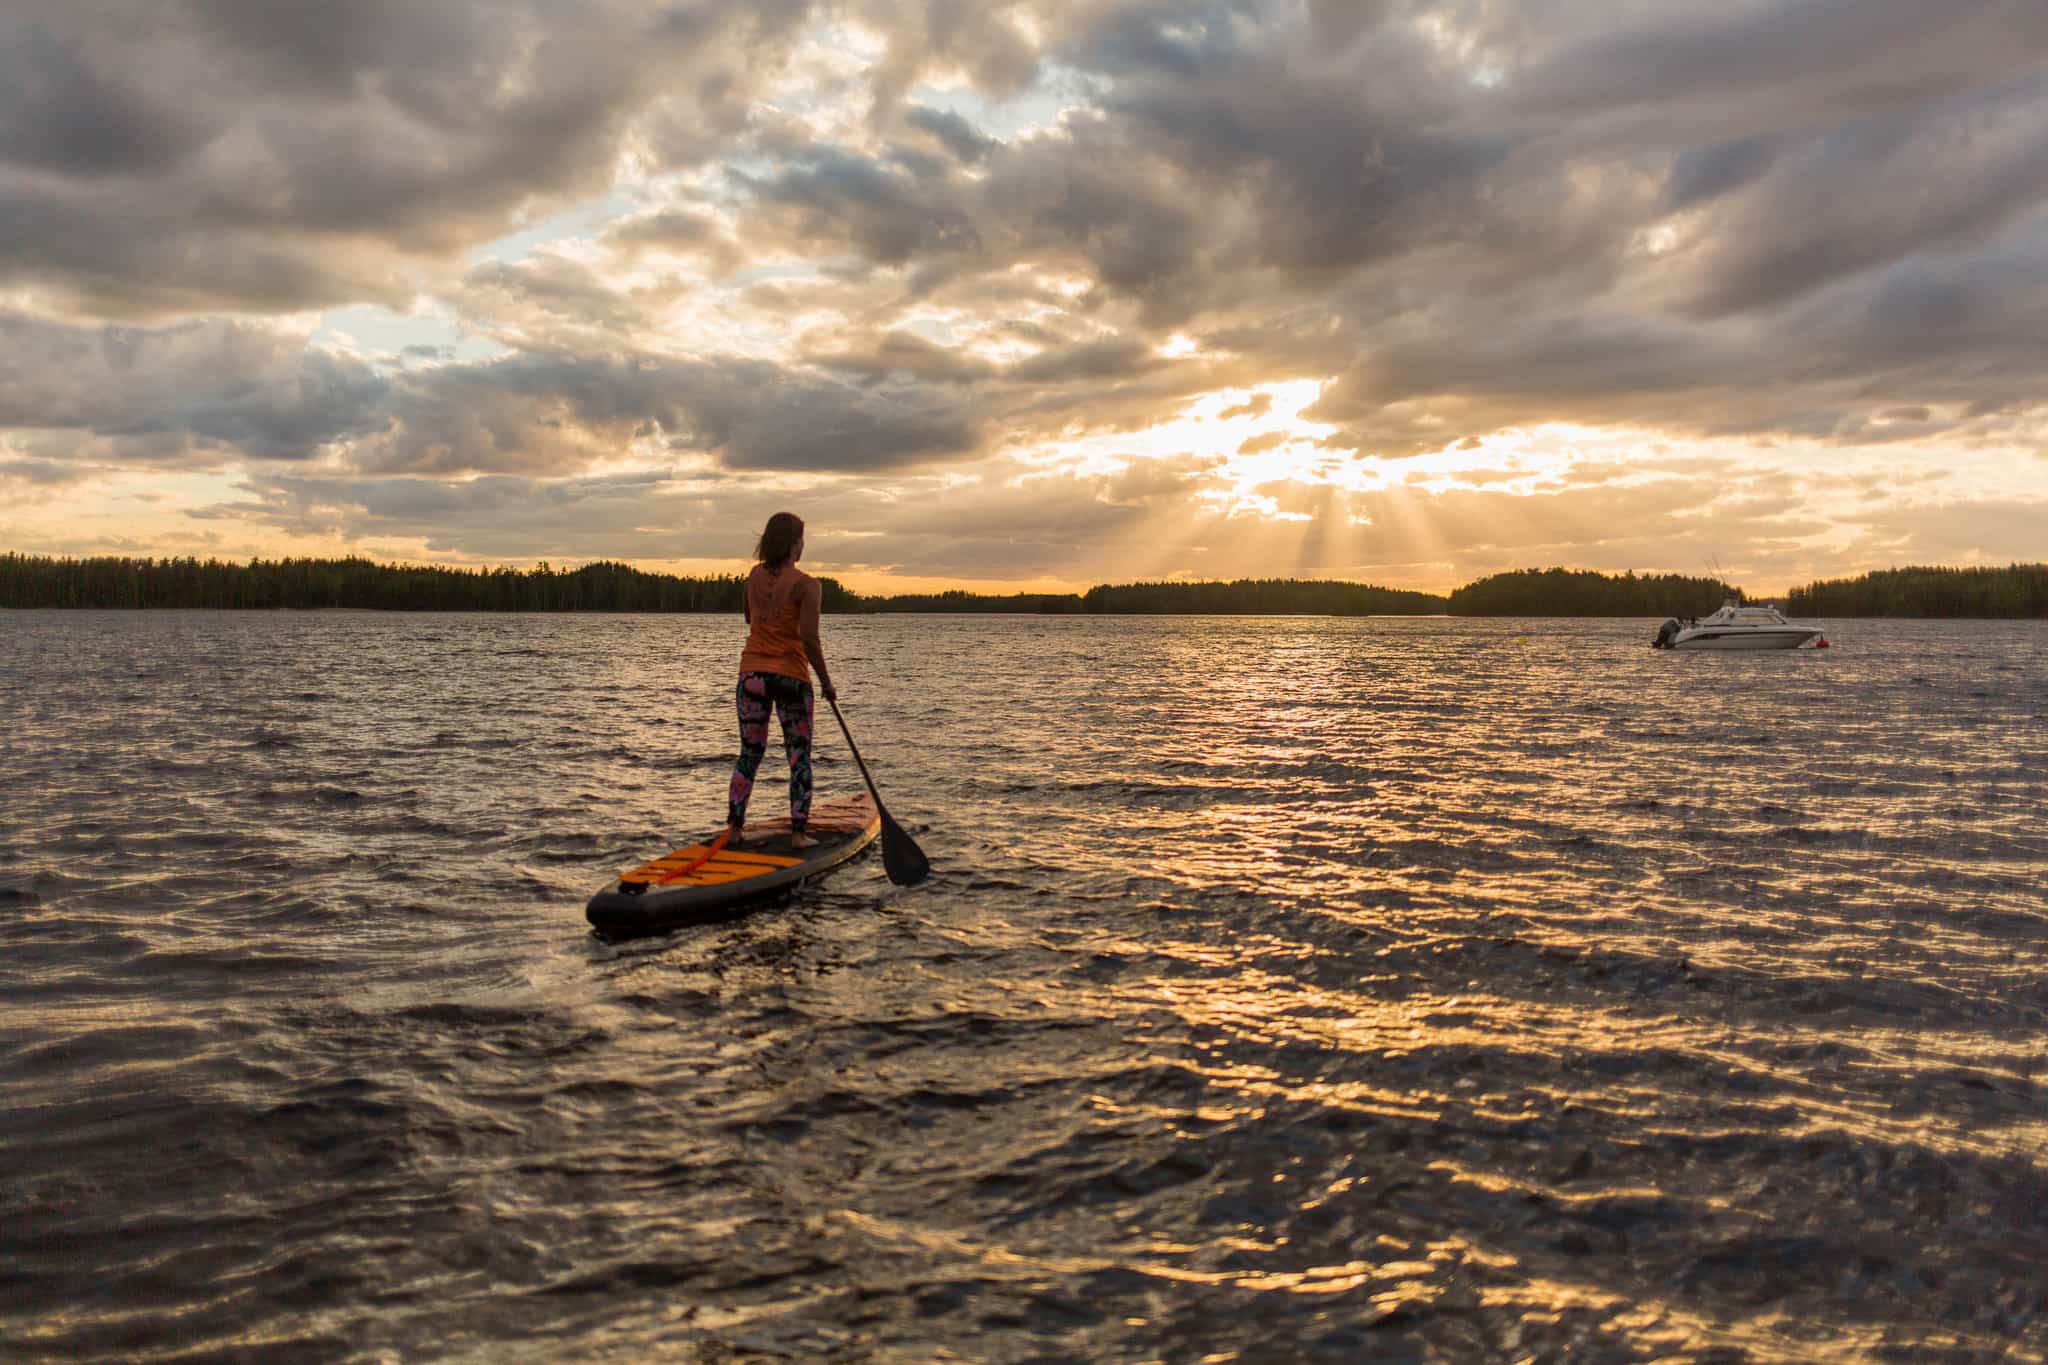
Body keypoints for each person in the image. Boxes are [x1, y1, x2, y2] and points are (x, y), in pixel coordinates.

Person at [729, 512, 836, 850]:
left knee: (750, 753)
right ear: (793, 544)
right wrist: (827, 683)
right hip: (791, 677)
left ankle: (734, 829)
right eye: (802, 539)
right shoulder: (808, 585)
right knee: (798, 757)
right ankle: (798, 834)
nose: (803, 545)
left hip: (752, 676)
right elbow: (809, 639)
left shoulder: (753, 576)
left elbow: (749, 618)